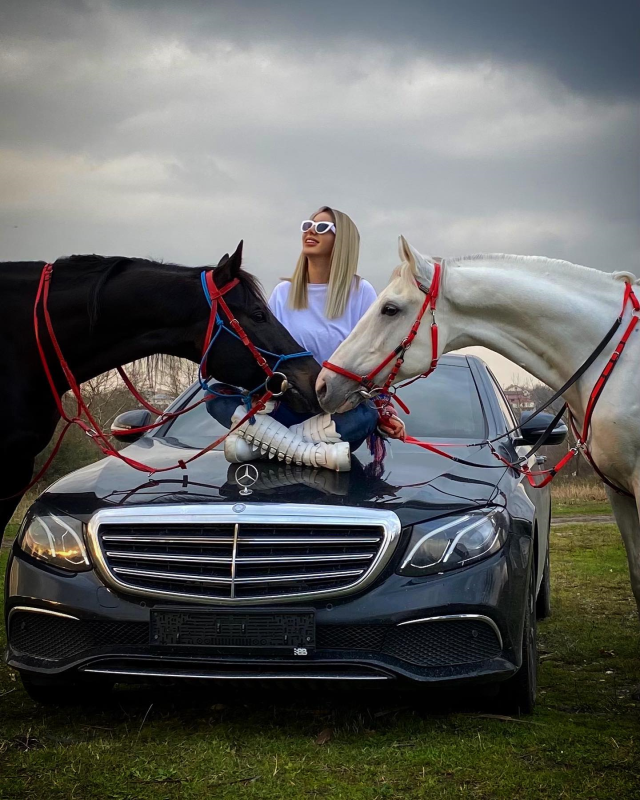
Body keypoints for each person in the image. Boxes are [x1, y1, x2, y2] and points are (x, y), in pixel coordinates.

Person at [206, 206, 404, 471]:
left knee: (366, 414)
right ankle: (309, 454)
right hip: (281, 409)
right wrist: (255, 391)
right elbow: (262, 353)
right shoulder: (283, 293)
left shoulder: (360, 292)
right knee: (214, 394)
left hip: (333, 413)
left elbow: (375, 356)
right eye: (308, 225)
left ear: (342, 241)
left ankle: (261, 447)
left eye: (322, 228)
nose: (311, 231)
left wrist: (385, 412)